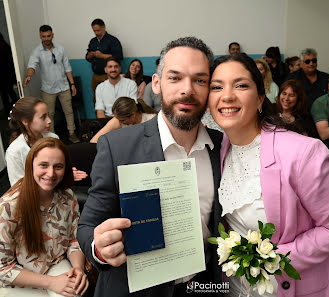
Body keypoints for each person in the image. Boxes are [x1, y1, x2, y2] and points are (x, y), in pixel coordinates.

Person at [78, 36, 223, 297]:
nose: (187, 90)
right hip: (135, 290)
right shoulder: (117, 147)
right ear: (156, 84)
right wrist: (99, 249)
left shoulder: (222, 147)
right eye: (175, 78)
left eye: (200, 80)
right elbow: (87, 226)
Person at [208, 53, 329, 297]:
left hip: (291, 287)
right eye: (217, 87)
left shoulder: (303, 152)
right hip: (236, 288)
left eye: (241, 85)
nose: (227, 95)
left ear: (260, 99)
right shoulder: (220, 148)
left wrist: (272, 259)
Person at [0, 137, 89, 297]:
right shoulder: (8, 207)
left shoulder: (68, 197)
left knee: (74, 292)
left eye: (58, 167)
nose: (51, 173)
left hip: (54, 264)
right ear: (31, 166)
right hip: (18, 277)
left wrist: (78, 268)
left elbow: (73, 240)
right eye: (43, 165)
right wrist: (51, 282)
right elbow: (3, 268)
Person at [6, 97, 87, 186]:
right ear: (26, 121)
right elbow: (17, 187)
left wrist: (67, 173)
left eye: (48, 115)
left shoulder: (53, 138)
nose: (49, 121)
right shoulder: (15, 151)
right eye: (43, 117)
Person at [24, 25, 79, 143]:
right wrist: (29, 75)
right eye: (44, 36)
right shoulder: (37, 51)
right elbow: (32, 66)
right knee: (49, 114)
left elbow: (67, 67)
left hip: (64, 86)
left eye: (49, 36)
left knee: (69, 111)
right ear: (40, 36)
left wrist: (72, 84)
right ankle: (51, 138)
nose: (46, 39)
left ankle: (72, 133)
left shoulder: (60, 49)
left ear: (52, 35)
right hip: (48, 89)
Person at [86, 18, 123, 103]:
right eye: (94, 31)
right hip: (95, 75)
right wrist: (90, 55)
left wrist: (101, 55)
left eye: (98, 30)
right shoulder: (93, 41)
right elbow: (87, 57)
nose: (96, 33)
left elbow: (118, 57)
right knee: (96, 99)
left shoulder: (113, 40)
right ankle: (99, 115)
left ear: (104, 28)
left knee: (110, 99)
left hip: (109, 75)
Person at [90, 96, 156, 143]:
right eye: (117, 119)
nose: (120, 123)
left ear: (133, 115)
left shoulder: (152, 120)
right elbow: (94, 141)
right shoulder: (117, 120)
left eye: (122, 120)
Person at [0, 32, 18, 113]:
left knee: (5, 95)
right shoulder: (6, 46)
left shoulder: (3, 47)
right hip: (8, 74)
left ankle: (9, 112)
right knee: (10, 92)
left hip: (3, 75)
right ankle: (18, 108)